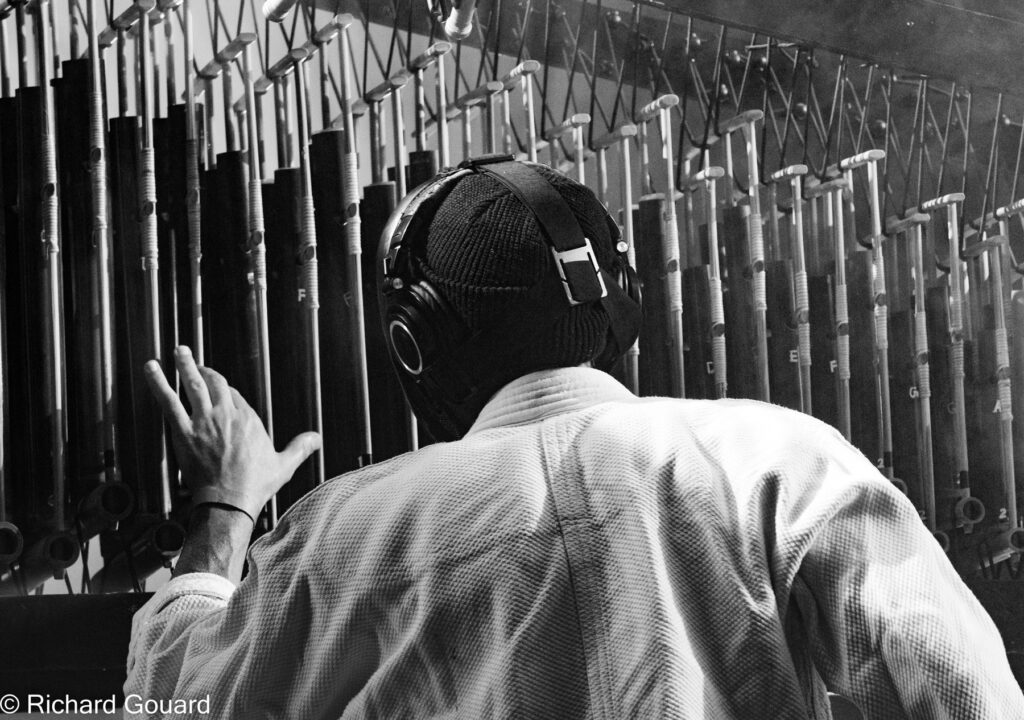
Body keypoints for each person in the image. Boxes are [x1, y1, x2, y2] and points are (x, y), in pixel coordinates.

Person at [126, 156, 1024, 719]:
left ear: (414, 340)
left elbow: (176, 702)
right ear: (614, 306)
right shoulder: (780, 462)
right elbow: (961, 695)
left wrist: (222, 509)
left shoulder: (340, 537)